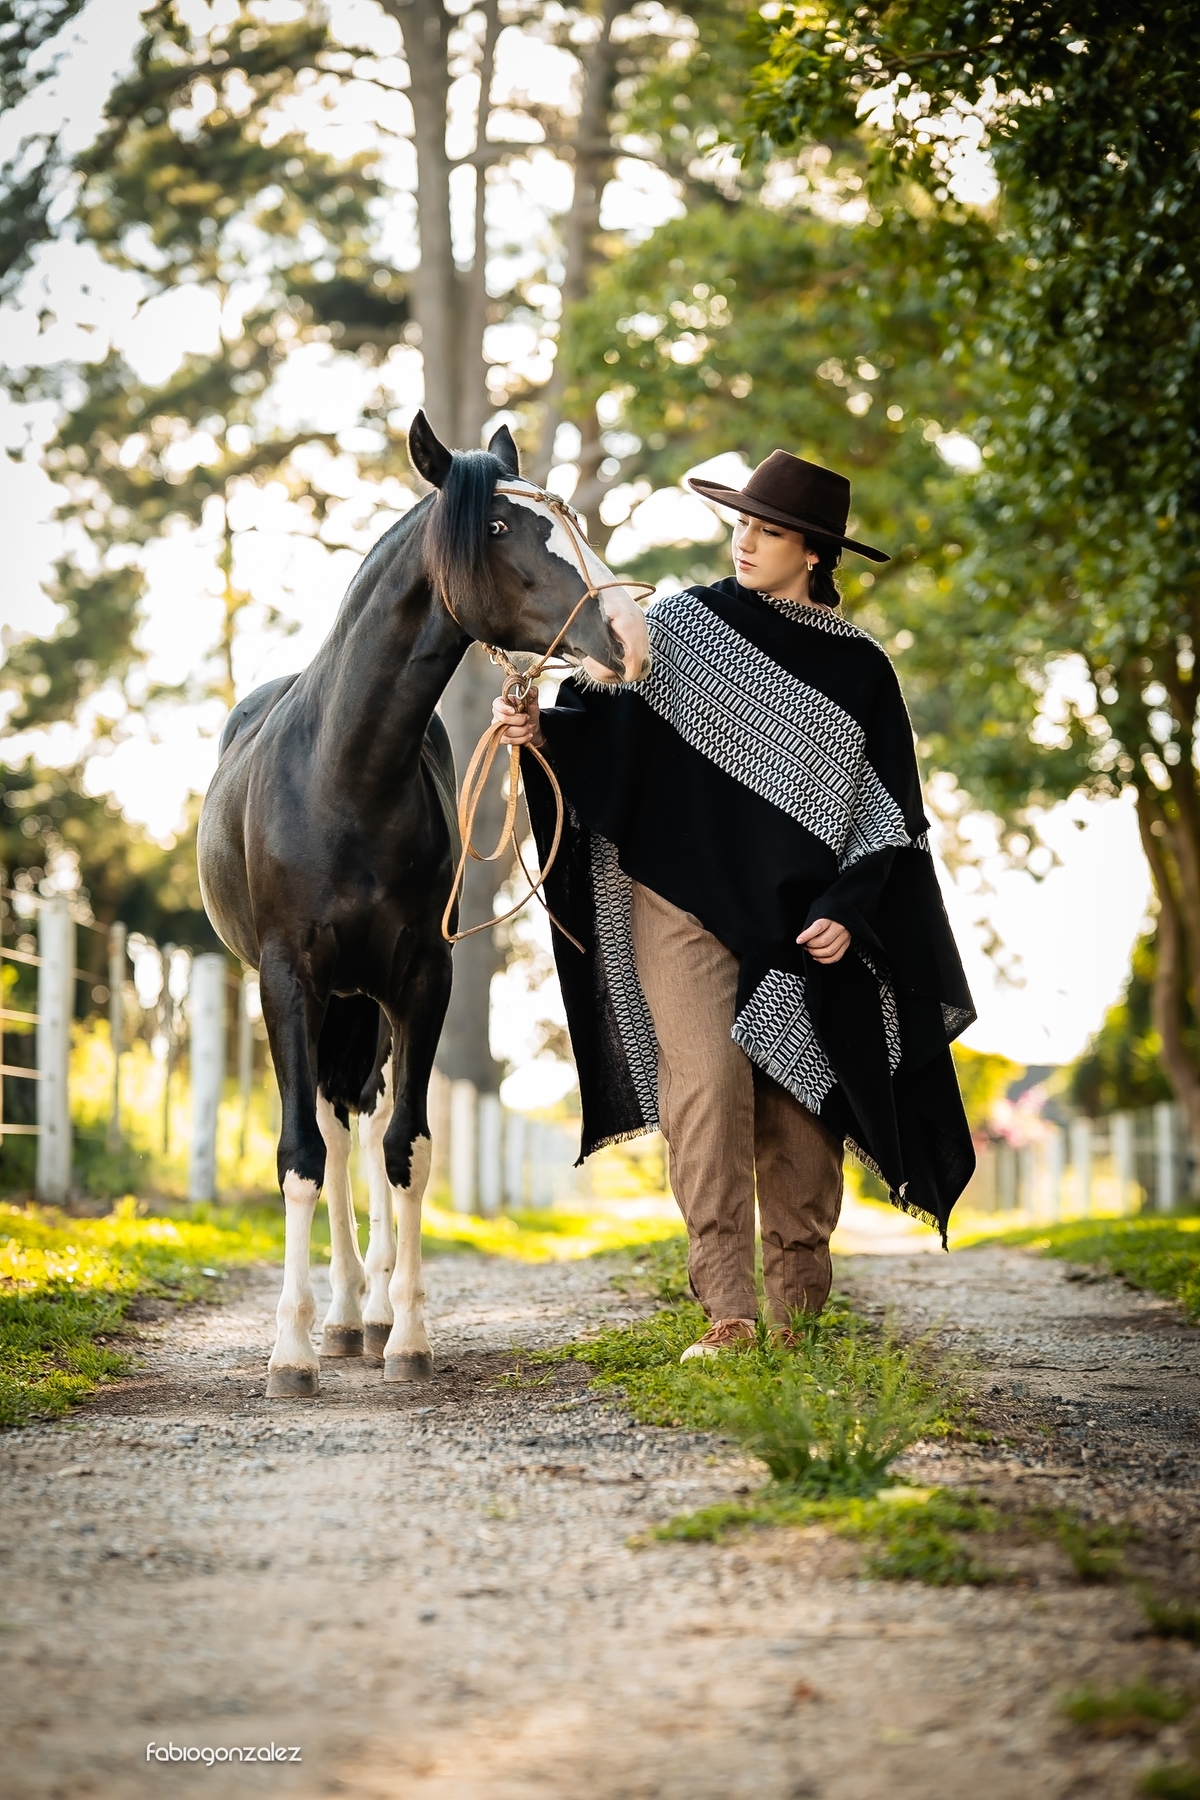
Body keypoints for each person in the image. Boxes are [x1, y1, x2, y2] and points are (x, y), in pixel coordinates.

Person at [494, 449, 976, 1361]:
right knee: (706, 1090)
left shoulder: (863, 671)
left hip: (800, 928)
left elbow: (889, 818)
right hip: (676, 904)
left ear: (814, 551)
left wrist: (849, 907)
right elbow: (605, 729)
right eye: (742, 524)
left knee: (800, 1110)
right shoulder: (683, 624)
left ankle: (797, 1316)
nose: (746, 542)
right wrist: (540, 730)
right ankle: (727, 1311)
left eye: (769, 530)